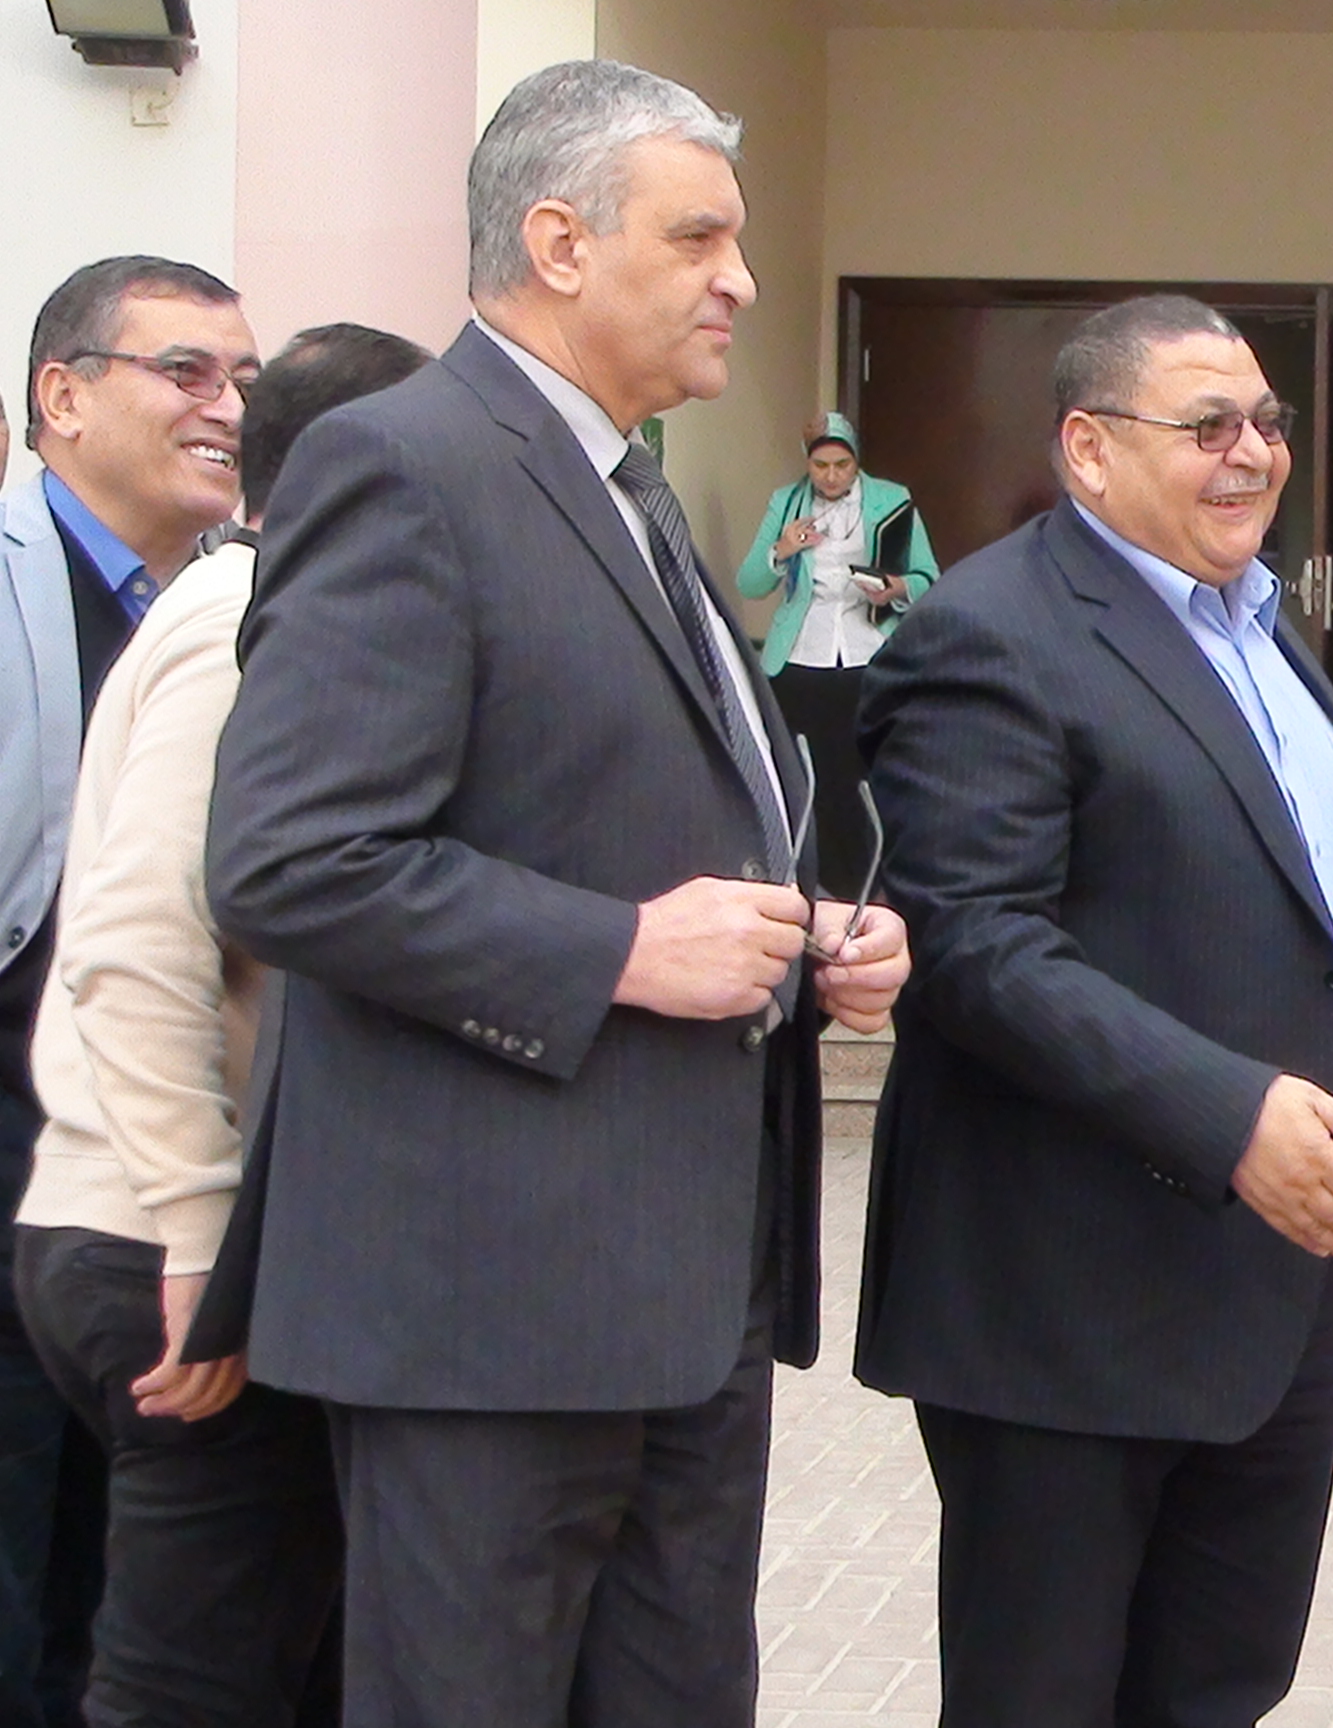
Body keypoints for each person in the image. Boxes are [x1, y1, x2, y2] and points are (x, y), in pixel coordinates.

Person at [197, 62, 910, 1728]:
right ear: (559, 242)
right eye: (701, 238)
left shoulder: (628, 487)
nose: (742, 279)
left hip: (686, 1303)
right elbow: (290, 857)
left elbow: (626, 813)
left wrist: (801, 939)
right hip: (487, 1319)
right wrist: (624, 951)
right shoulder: (405, 463)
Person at [855, 294, 1333, 1728]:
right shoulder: (989, 633)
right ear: (1088, 447)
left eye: (1269, 423)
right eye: (1209, 425)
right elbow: (978, 946)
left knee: (1218, 1691)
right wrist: (1228, 1114)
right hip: (1069, 1305)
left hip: (1272, 1284)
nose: (1253, 452)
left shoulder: (1260, 624)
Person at [15, 322, 429, 1726]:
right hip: (162, 1246)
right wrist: (205, 1238)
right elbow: (134, 942)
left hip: (203, 1241)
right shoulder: (242, 616)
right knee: (189, 1689)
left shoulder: (263, 603)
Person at [2, 254, 257, 1728]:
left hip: (134, 1188)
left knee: (124, 1598)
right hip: (32, 1148)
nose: (226, 406)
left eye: (243, 380)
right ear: (64, 395)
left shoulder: (237, 602)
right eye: (185, 371)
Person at [734, 411, 938, 873]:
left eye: (841, 465)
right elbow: (748, 584)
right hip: (801, 656)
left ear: (856, 461)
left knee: (865, 768)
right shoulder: (786, 502)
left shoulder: (892, 500)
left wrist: (896, 588)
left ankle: (869, 873)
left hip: (870, 651)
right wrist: (782, 550)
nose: (830, 476)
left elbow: (929, 576)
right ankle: (811, 874)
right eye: (820, 465)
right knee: (806, 774)